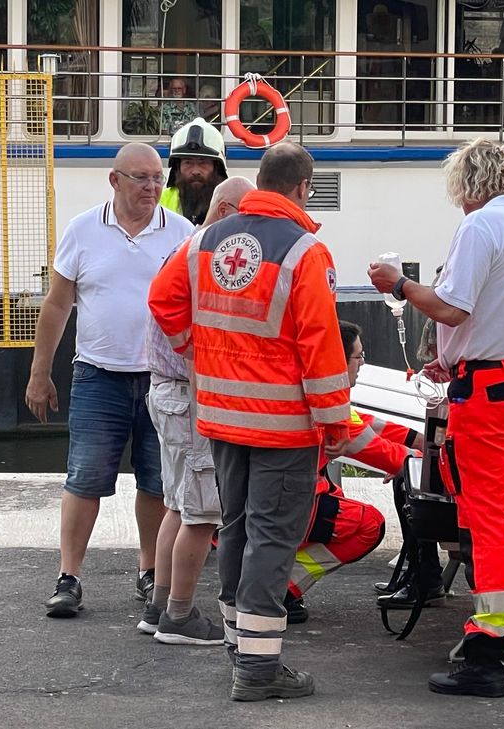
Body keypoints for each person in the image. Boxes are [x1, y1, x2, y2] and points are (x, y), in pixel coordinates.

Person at [148, 141, 350, 702]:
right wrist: (335, 424)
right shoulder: (305, 251)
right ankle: (258, 672)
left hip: (219, 417)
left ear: (259, 180)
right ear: (303, 188)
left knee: (234, 529)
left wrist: (199, 351)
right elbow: (320, 345)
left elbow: (162, 300)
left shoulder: (205, 241)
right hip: (282, 425)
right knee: (272, 538)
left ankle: (242, 646)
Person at [368, 137, 504, 698]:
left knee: (488, 515)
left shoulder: (481, 227)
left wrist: (398, 284)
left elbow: (452, 307)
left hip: (491, 394)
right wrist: (456, 357)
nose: (458, 203)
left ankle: (486, 651)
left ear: (469, 185)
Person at [26, 143, 194, 618]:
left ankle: (149, 572)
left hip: (164, 380)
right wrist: (40, 373)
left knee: (157, 483)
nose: (152, 187)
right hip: (98, 375)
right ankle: (69, 576)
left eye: (158, 178)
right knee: (84, 479)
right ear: (114, 180)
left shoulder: (181, 234)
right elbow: (57, 305)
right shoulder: (82, 231)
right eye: (141, 178)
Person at [138, 176, 256, 644]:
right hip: (190, 395)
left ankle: (160, 606)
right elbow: (175, 315)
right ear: (226, 212)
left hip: (167, 391)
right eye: (246, 217)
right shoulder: (203, 256)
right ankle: (180, 617)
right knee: (202, 513)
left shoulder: (183, 251)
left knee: (177, 504)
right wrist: (201, 360)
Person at [284, 320, 423, 624]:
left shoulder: (313, 388)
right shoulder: (327, 405)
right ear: (338, 360)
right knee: (368, 524)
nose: (362, 364)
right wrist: (422, 463)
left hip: (274, 500)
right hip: (295, 505)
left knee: (339, 497)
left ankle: (273, 576)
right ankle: (284, 587)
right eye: (358, 357)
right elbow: (380, 451)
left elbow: (370, 423)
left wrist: (421, 443)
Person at [160, 117, 228, 226]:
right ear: (177, 168)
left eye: (203, 162)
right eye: (188, 163)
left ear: (217, 168)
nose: (195, 171)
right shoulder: (159, 202)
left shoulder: (231, 205)